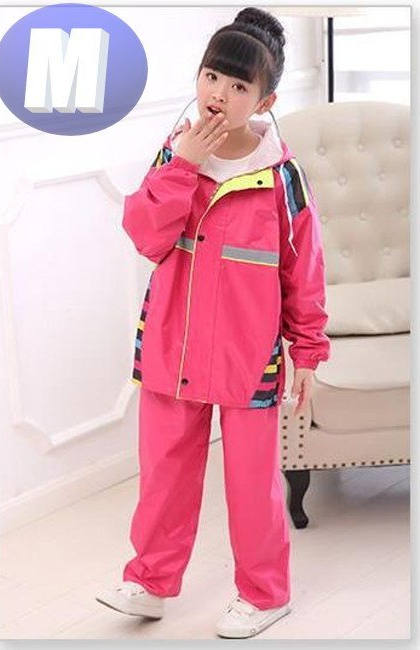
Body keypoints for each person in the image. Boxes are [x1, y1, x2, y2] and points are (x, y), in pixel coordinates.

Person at [96, 6, 331, 639]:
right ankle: (149, 583)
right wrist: (183, 167)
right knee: (164, 475)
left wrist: (308, 352)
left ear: (265, 100)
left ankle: (265, 593)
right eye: (211, 77)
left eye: (237, 84)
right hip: (171, 346)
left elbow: (304, 269)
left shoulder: (281, 177)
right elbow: (146, 236)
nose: (219, 94)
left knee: (252, 485)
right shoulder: (175, 153)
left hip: (249, 357)